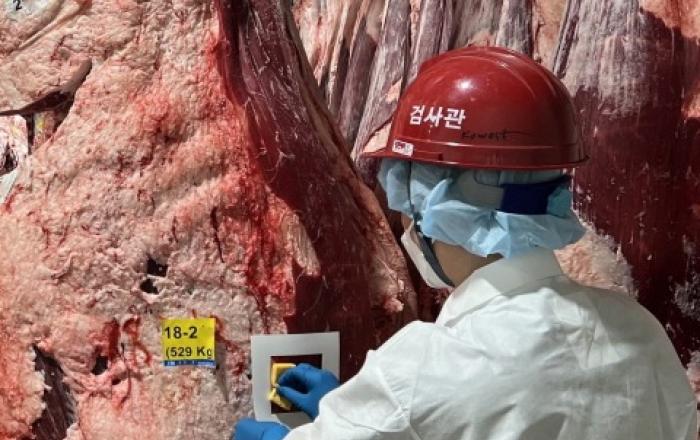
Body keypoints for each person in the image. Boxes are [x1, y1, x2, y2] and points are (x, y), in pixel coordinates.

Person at [233, 46, 697, 440]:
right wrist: (362, 415)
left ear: (438, 207)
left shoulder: (423, 372)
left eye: (407, 201)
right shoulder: (639, 332)